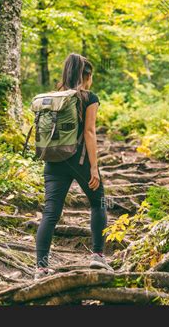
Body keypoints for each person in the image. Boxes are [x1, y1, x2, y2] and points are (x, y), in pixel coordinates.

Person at [34, 53, 112, 280]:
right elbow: (89, 132)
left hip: (53, 161)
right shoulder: (89, 97)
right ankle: (97, 255)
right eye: (91, 77)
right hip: (79, 161)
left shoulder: (55, 97)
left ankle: (40, 268)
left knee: (50, 212)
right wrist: (94, 168)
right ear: (85, 76)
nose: (91, 81)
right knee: (98, 201)